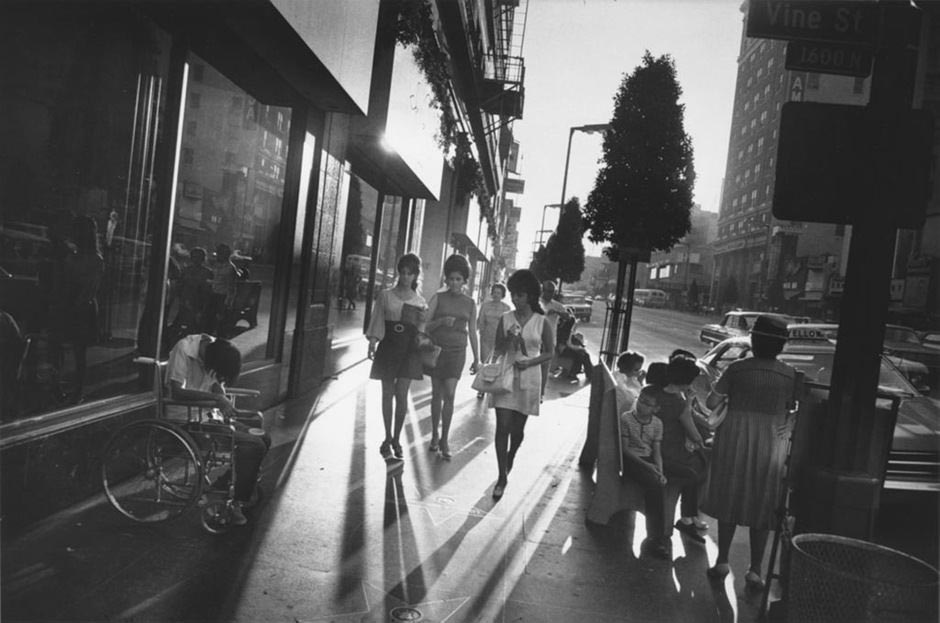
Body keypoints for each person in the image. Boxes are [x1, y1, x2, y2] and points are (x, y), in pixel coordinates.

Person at [701, 315, 798, 589]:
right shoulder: (789, 374)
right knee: (764, 502)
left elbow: (711, 402)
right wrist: (788, 420)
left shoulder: (737, 369)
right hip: (771, 441)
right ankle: (755, 570)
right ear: (781, 347)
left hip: (734, 436)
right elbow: (798, 409)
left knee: (730, 494)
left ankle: (722, 560)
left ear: (754, 341)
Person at [165, 333, 269, 526]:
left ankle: (227, 484)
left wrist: (220, 394)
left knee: (264, 438)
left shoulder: (215, 348)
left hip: (209, 416)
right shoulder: (184, 349)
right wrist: (217, 399)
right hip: (188, 419)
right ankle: (236, 500)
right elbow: (177, 391)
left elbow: (215, 384)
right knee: (254, 445)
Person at [489, 269, 556, 499]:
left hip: (529, 379)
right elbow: (497, 349)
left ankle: (511, 456)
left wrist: (530, 362)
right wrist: (507, 341)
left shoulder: (542, 322)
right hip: (506, 377)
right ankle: (501, 476)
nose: (515, 300)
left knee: (517, 431)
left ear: (529, 295)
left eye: (519, 295)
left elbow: (549, 353)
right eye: (513, 295)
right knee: (502, 426)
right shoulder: (505, 319)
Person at [367, 253, 427, 462]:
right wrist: (373, 341)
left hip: (409, 349)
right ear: (398, 272)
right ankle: (386, 436)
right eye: (402, 272)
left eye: (409, 273)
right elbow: (377, 319)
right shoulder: (386, 295)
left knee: (402, 394)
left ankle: (396, 438)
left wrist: (422, 322)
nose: (405, 277)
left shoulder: (420, 301)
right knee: (387, 393)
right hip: (389, 344)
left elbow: (421, 331)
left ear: (415, 275)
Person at [650, 357, 709, 551]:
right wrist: (689, 401)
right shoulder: (678, 403)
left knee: (696, 464)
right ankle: (689, 517)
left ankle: (688, 517)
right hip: (668, 454)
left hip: (656, 449)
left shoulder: (656, 394)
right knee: (703, 465)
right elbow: (694, 433)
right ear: (687, 382)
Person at [426, 254, 480, 460]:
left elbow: (473, 331)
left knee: (450, 393)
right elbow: (425, 325)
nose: (455, 282)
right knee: (436, 394)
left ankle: (445, 439)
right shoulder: (438, 298)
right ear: (446, 279)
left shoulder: (470, 303)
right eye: (451, 278)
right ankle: (434, 434)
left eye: (459, 279)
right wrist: (440, 322)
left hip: (458, 353)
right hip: (437, 351)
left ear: (465, 280)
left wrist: (477, 358)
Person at [51, 215, 105, 403]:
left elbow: (89, 289)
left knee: (78, 350)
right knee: (68, 348)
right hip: (72, 304)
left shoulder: (93, 259)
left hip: (82, 307)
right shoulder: (75, 256)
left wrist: (73, 306)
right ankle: (63, 388)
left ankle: (77, 391)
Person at [619, 386, 668, 557]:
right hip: (631, 461)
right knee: (655, 487)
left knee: (660, 483)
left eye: (648, 404)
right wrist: (650, 468)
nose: (641, 405)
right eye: (641, 400)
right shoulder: (626, 418)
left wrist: (660, 472)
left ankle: (657, 536)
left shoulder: (657, 424)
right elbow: (625, 450)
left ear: (656, 409)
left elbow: (657, 451)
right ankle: (656, 538)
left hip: (648, 461)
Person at [476, 283, 511, 399]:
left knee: (495, 365)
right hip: (486, 337)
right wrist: (481, 333)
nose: (496, 295)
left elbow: (509, 325)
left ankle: (492, 387)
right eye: (494, 292)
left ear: (503, 295)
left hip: (500, 340)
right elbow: (480, 321)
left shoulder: (506, 308)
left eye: (499, 293)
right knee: (484, 363)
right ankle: (481, 388)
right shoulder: (485, 306)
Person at [538, 280, 570, 397]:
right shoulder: (536, 303)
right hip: (535, 338)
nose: (550, 294)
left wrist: (558, 312)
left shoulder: (557, 305)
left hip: (549, 340)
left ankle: (540, 393)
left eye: (552, 292)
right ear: (542, 290)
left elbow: (568, 316)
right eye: (547, 291)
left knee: (545, 367)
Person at [175, 246, 213, 332]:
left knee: (196, 327)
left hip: (199, 303)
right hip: (185, 302)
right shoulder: (186, 270)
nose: (196, 259)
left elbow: (208, 290)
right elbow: (180, 285)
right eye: (194, 257)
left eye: (199, 257)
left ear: (203, 259)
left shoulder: (207, 272)